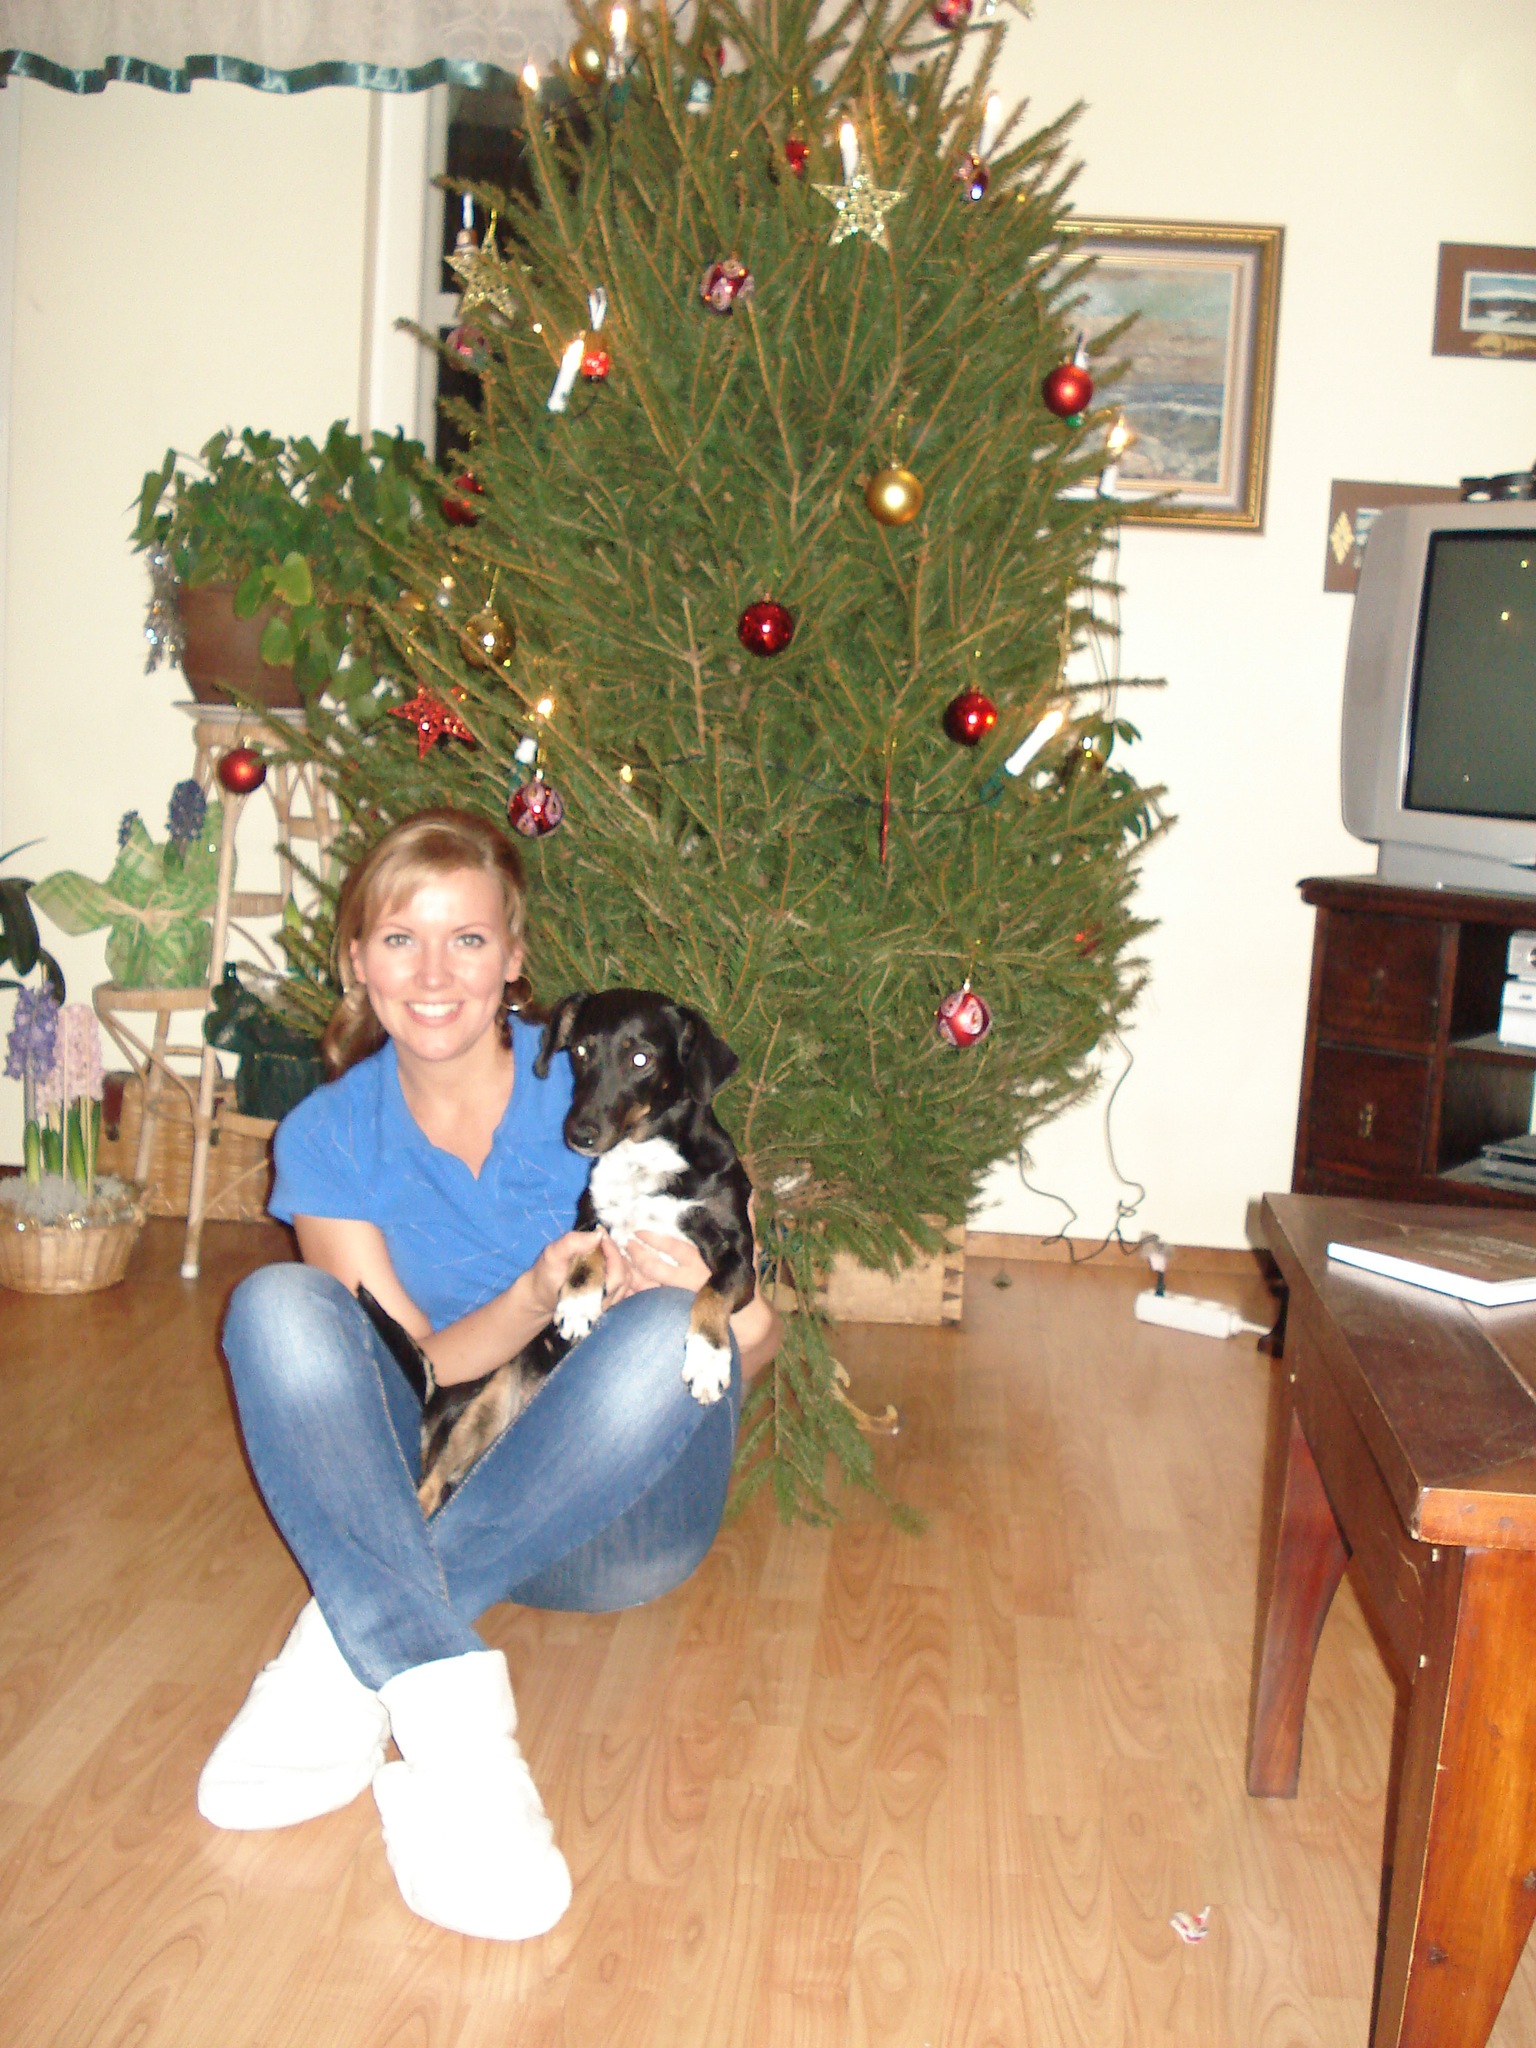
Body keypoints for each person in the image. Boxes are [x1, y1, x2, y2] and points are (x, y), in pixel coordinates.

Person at [198, 808, 780, 1942]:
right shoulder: (326, 1135)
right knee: (275, 1306)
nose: (433, 975)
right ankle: (457, 1736)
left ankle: (344, 1654)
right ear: (357, 961)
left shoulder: (619, 1072)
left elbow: (754, 1340)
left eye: (466, 940)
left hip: (618, 1518)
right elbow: (411, 1371)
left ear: (514, 958)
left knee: (662, 1331)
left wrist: (708, 1298)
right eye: (399, 939)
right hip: (449, 1475)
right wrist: (531, 1294)